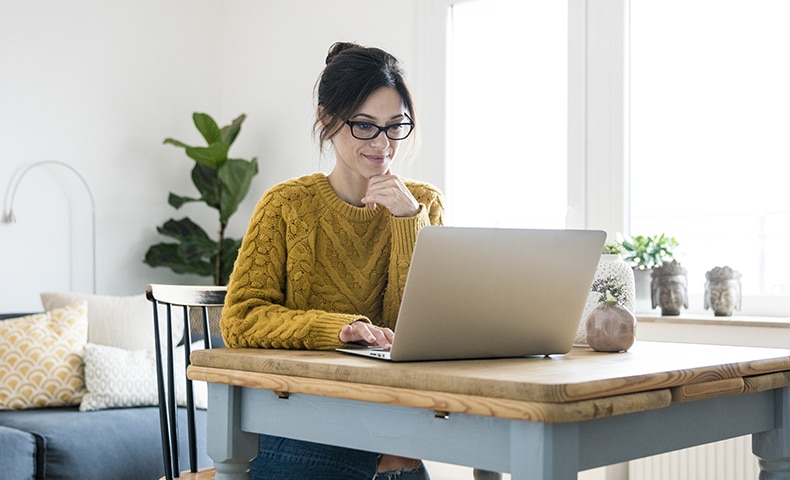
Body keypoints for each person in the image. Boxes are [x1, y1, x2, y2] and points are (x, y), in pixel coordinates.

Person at [220, 42, 444, 480]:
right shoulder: (286, 206)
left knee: (398, 466)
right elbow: (241, 318)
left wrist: (406, 222)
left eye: (396, 126)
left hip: (387, 419)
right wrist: (336, 330)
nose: (383, 144)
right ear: (327, 119)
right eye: (365, 126)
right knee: (382, 467)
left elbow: (420, 333)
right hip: (290, 423)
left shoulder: (422, 206)